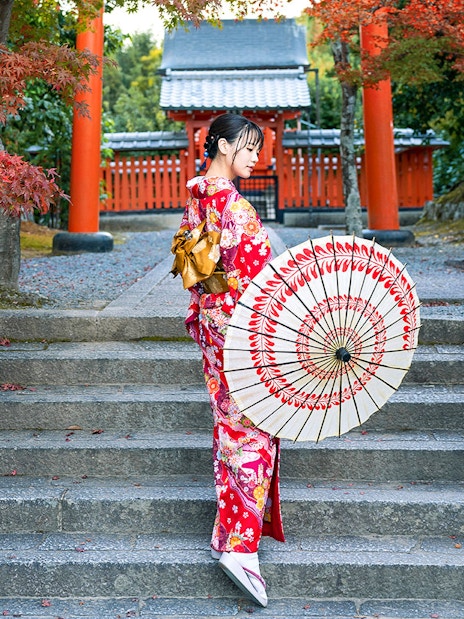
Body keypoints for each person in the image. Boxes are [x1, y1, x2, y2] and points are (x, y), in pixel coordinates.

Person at [176, 113, 285, 607]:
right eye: (247, 146)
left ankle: (226, 533)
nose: (255, 156)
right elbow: (260, 276)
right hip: (241, 332)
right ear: (220, 144)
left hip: (213, 327)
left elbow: (192, 268)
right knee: (254, 430)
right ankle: (242, 548)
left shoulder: (198, 196)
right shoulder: (233, 206)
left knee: (230, 426)